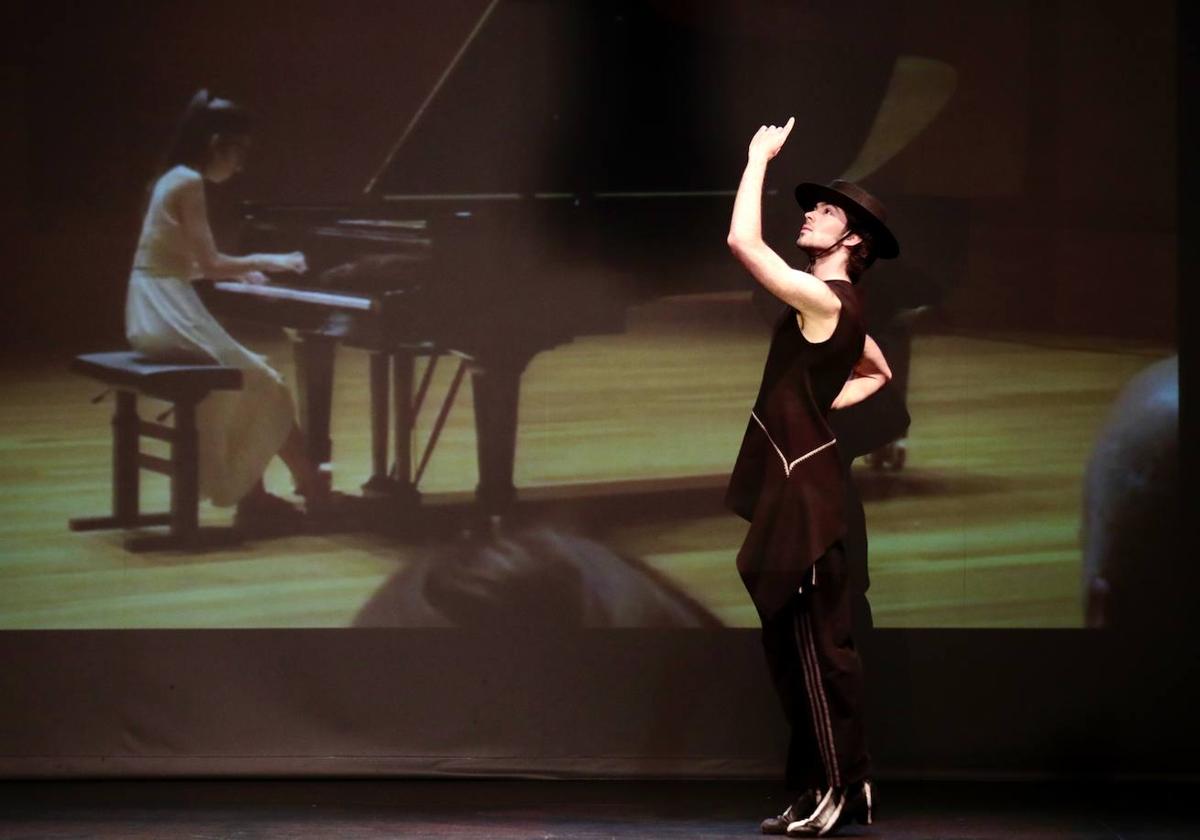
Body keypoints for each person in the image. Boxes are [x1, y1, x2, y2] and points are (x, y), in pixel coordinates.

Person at [725, 117, 899, 837]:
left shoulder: (827, 300)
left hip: (807, 502)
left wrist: (757, 157)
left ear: (851, 239)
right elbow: (879, 371)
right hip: (796, 490)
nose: (810, 213)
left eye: (825, 210)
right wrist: (818, 408)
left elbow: (742, 243)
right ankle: (813, 789)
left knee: (820, 655)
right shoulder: (829, 309)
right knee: (791, 656)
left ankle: (841, 788)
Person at [125, 89, 327, 524]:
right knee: (266, 383)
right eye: (239, 152)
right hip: (167, 312)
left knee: (250, 380)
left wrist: (241, 274)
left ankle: (259, 495)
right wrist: (271, 260)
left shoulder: (168, 177)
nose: (241, 164)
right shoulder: (188, 182)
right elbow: (211, 263)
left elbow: (181, 264)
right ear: (217, 144)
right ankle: (309, 488)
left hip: (150, 309)